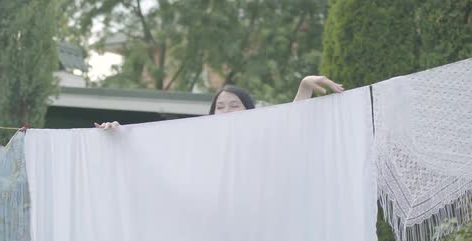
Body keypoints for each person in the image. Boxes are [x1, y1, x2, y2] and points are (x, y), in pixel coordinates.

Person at [94, 75, 343, 129]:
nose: (226, 112)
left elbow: (289, 124)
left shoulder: (257, 132)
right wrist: (119, 133)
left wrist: (304, 87)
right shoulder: (196, 137)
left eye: (234, 106)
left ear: (250, 111)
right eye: (220, 107)